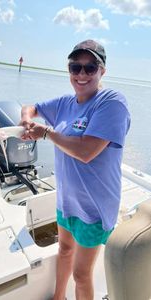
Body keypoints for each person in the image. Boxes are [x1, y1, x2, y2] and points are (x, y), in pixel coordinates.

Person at [20, 39, 130, 300]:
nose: (81, 74)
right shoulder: (65, 103)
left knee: (82, 275)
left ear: (102, 70)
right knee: (65, 251)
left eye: (90, 67)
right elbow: (32, 107)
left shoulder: (112, 102)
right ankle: (59, 298)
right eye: (75, 67)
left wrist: (46, 132)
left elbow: (86, 151)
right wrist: (26, 120)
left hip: (93, 207)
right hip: (66, 200)